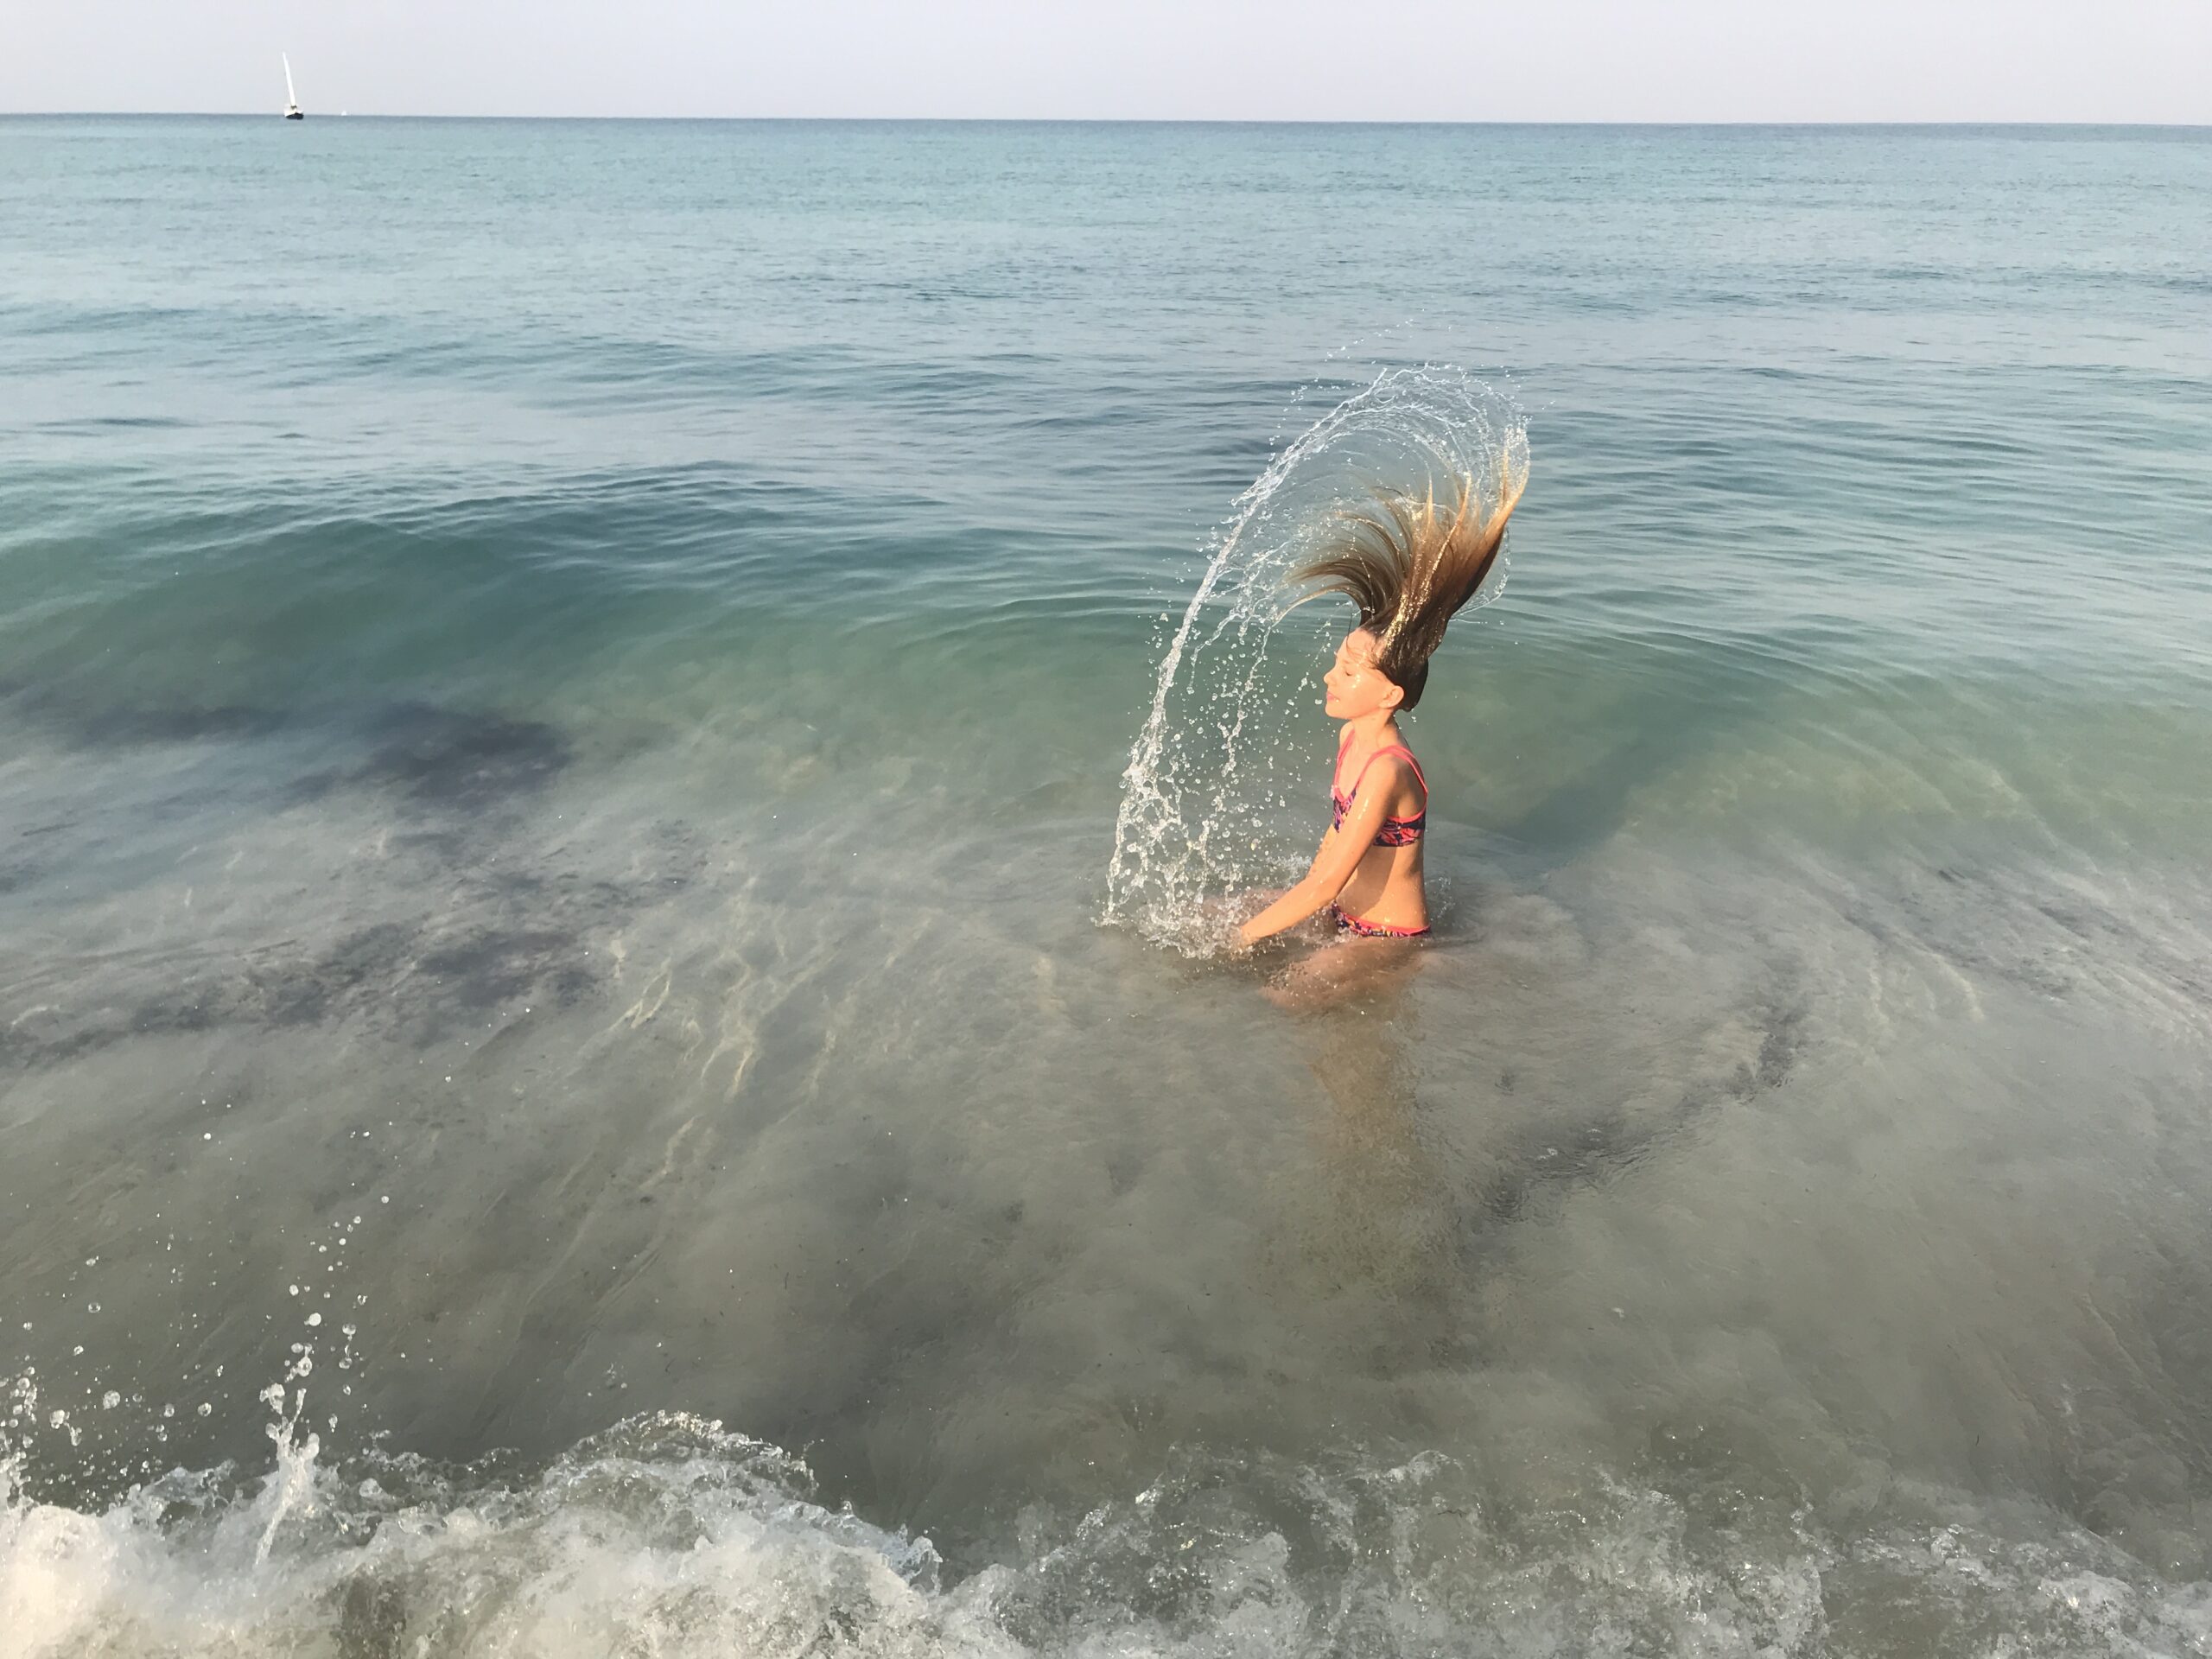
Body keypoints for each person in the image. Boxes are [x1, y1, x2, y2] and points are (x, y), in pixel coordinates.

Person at [1235, 458, 1526, 957]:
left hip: (1386, 936)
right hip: (1341, 910)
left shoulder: (1387, 771)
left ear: (1391, 694)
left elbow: (1326, 884)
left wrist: (1241, 939)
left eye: (1348, 672)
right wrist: (1288, 909)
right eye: (1336, 663)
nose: (1330, 677)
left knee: (1280, 994)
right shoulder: (1351, 737)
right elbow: (1333, 849)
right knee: (1212, 911)